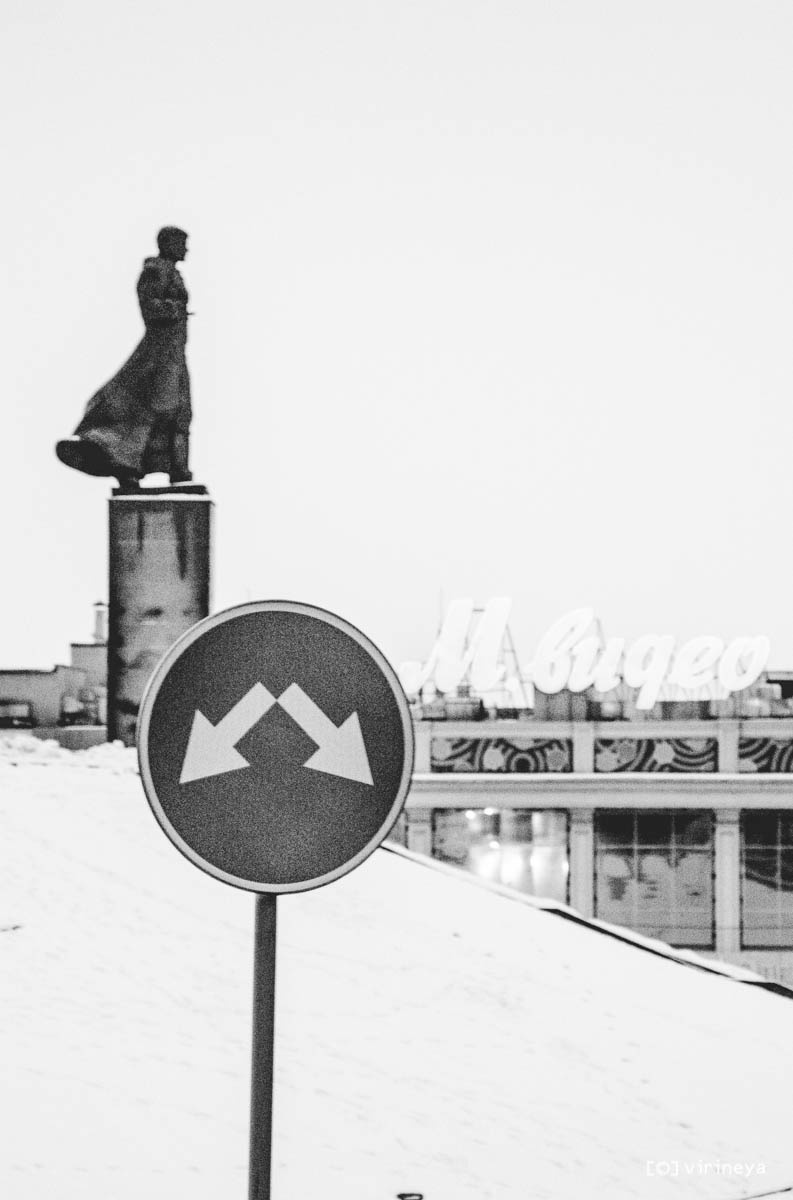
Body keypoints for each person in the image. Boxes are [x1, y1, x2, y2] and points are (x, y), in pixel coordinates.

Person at [56, 226, 193, 487]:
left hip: (174, 354)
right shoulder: (155, 271)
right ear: (168, 244)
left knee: (180, 411)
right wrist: (174, 309)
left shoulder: (172, 273)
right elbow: (150, 307)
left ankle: (177, 468)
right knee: (146, 409)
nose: (186, 249)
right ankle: (122, 461)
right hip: (158, 354)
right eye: (181, 243)